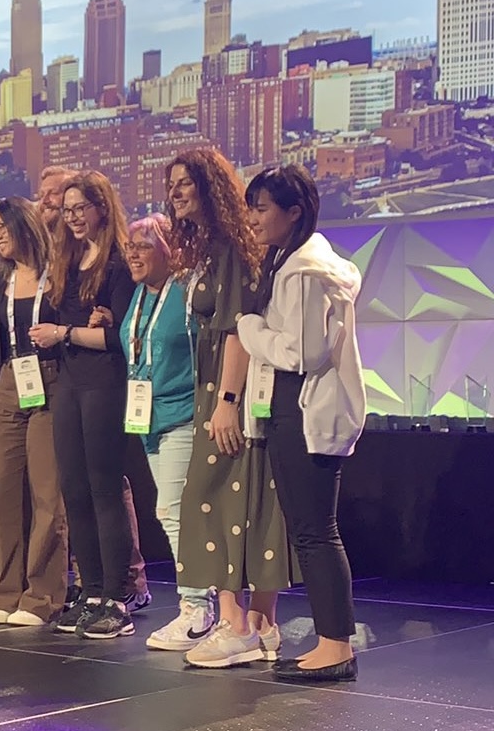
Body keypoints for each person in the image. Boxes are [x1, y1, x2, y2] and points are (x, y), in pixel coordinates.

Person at [166, 149, 293, 669]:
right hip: (220, 388)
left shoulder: (232, 252)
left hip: (228, 391)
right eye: (170, 185)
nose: (174, 193)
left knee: (212, 498)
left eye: (184, 184)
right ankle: (262, 623)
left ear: (210, 187)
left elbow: (239, 331)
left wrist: (226, 402)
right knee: (246, 497)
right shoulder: (214, 249)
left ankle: (235, 623)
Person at [239, 165, 365, 683]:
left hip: (307, 410)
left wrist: (251, 331)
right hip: (294, 408)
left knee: (316, 533)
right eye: (251, 208)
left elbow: (303, 352)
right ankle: (331, 641)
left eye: (262, 208)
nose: (253, 219)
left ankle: (335, 645)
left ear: (294, 213)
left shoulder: (305, 272)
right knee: (311, 531)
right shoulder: (286, 262)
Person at [38, 166, 149, 609]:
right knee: (74, 487)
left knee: (104, 487)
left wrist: (64, 333)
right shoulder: (67, 259)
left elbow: (118, 337)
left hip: (104, 382)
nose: (72, 218)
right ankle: (91, 588)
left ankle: (114, 591)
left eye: (80, 208)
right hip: (69, 381)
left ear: (102, 207)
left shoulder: (119, 262)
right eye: (66, 211)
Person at [117, 215, 217, 650]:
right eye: (130, 246)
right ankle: (198, 602)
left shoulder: (186, 290)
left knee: (173, 512)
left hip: (183, 414)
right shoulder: (140, 295)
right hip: (148, 418)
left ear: (168, 249)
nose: (133, 254)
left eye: (143, 245)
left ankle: (198, 607)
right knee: (173, 512)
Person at [0, 197, 69, 627]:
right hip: (12, 381)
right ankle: (3, 592)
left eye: (2, 227)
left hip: (53, 379)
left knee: (48, 496)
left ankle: (42, 596)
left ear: (23, 225)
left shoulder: (60, 272)